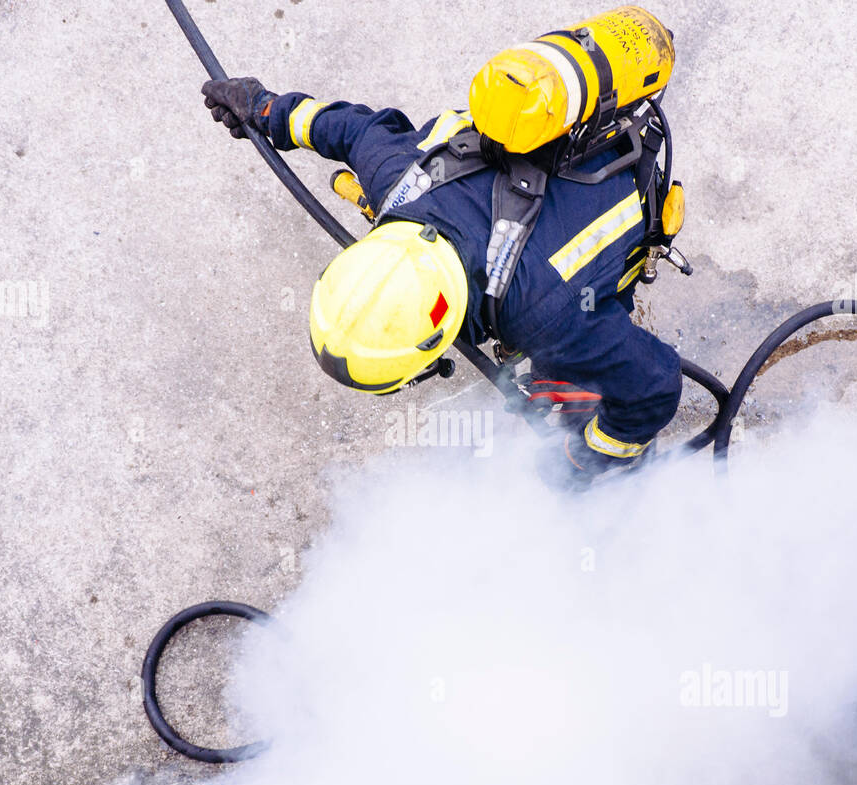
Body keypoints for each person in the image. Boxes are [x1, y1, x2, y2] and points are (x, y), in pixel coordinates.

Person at [201, 75, 683, 489]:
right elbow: (346, 129)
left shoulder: (546, 319)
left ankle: (623, 462)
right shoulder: (393, 175)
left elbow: (656, 387)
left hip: (623, 189)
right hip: (538, 157)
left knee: (573, 388)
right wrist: (264, 109)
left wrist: (583, 461)